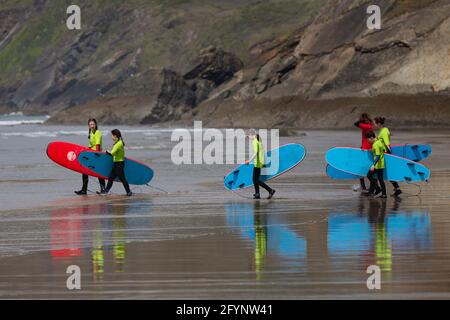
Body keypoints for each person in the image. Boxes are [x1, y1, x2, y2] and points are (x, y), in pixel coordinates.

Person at [75, 119, 106, 195]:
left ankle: (103, 189)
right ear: (88, 125)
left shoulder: (98, 133)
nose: (92, 126)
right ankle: (84, 190)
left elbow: (97, 145)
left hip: (97, 155)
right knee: (84, 171)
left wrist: (97, 155)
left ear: (95, 125)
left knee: (98, 172)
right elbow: (90, 146)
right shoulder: (91, 133)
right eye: (90, 124)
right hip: (91, 154)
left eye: (93, 124)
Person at [97, 129, 132, 197]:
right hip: (116, 164)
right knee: (111, 178)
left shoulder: (119, 144)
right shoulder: (118, 142)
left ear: (115, 136)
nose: (111, 137)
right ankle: (106, 191)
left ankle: (129, 192)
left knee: (122, 178)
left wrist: (107, 152)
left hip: (119, 164)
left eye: (112, 135)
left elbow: (112, 153)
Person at [373, 117, 402, 197]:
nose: (374, 125)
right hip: (384, 153)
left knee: (384, 172)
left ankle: (379, 190)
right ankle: (397, 189)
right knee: (387, 172)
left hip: (385, 154)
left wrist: (389, 156)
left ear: (378, 123)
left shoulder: (384, 131)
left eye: (375, 123)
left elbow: (387, 144)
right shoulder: (382, 131)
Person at [245, 129, 276, 200]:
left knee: (255, 180)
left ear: (253, 135)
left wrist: (249, 161)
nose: (249, 138)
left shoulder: (255, 142)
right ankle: (257, 194)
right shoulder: (259, 141)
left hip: (258, 162)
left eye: (249, 136)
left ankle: (270, 190)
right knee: (255, 179)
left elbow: (256, 153)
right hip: (260, 161)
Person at [354, 113, 374, 192]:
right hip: (365, 147)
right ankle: (366, 187)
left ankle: (364, 187)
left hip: (365, 148)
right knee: (366, 169)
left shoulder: (366, 126)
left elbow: (356, 124)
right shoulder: (369, 124)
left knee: (362, 168)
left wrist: (361, 120)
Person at [366, 131, 386, 198]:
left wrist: (373, 165)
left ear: (371, 138)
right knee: (380, 179)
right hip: (381, 164)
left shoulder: (375, 144)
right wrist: (372, 150)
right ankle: (384, 194)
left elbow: (378, 155)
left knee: (368, 175)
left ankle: (377, 188)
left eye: (368, 139)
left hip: (377, 164)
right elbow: (382, 150)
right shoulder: (379, 142)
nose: (368, 141)